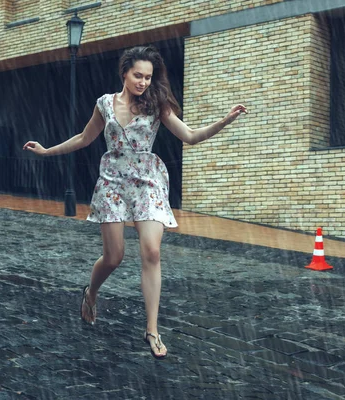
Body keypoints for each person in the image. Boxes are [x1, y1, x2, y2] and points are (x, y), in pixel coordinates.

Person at [23, 45, 248, 359]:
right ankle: (91, 293)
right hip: (113, 181)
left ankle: (152, 330)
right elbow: (84, 138)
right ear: (124, 73)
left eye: (148, 77)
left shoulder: (157, 105)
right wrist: (47, 151)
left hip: (147, 181)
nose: (143, 82)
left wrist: (224, 121)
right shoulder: (104, 104)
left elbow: (190, 136)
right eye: (138, 75)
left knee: (152, 251)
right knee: (114, 257)